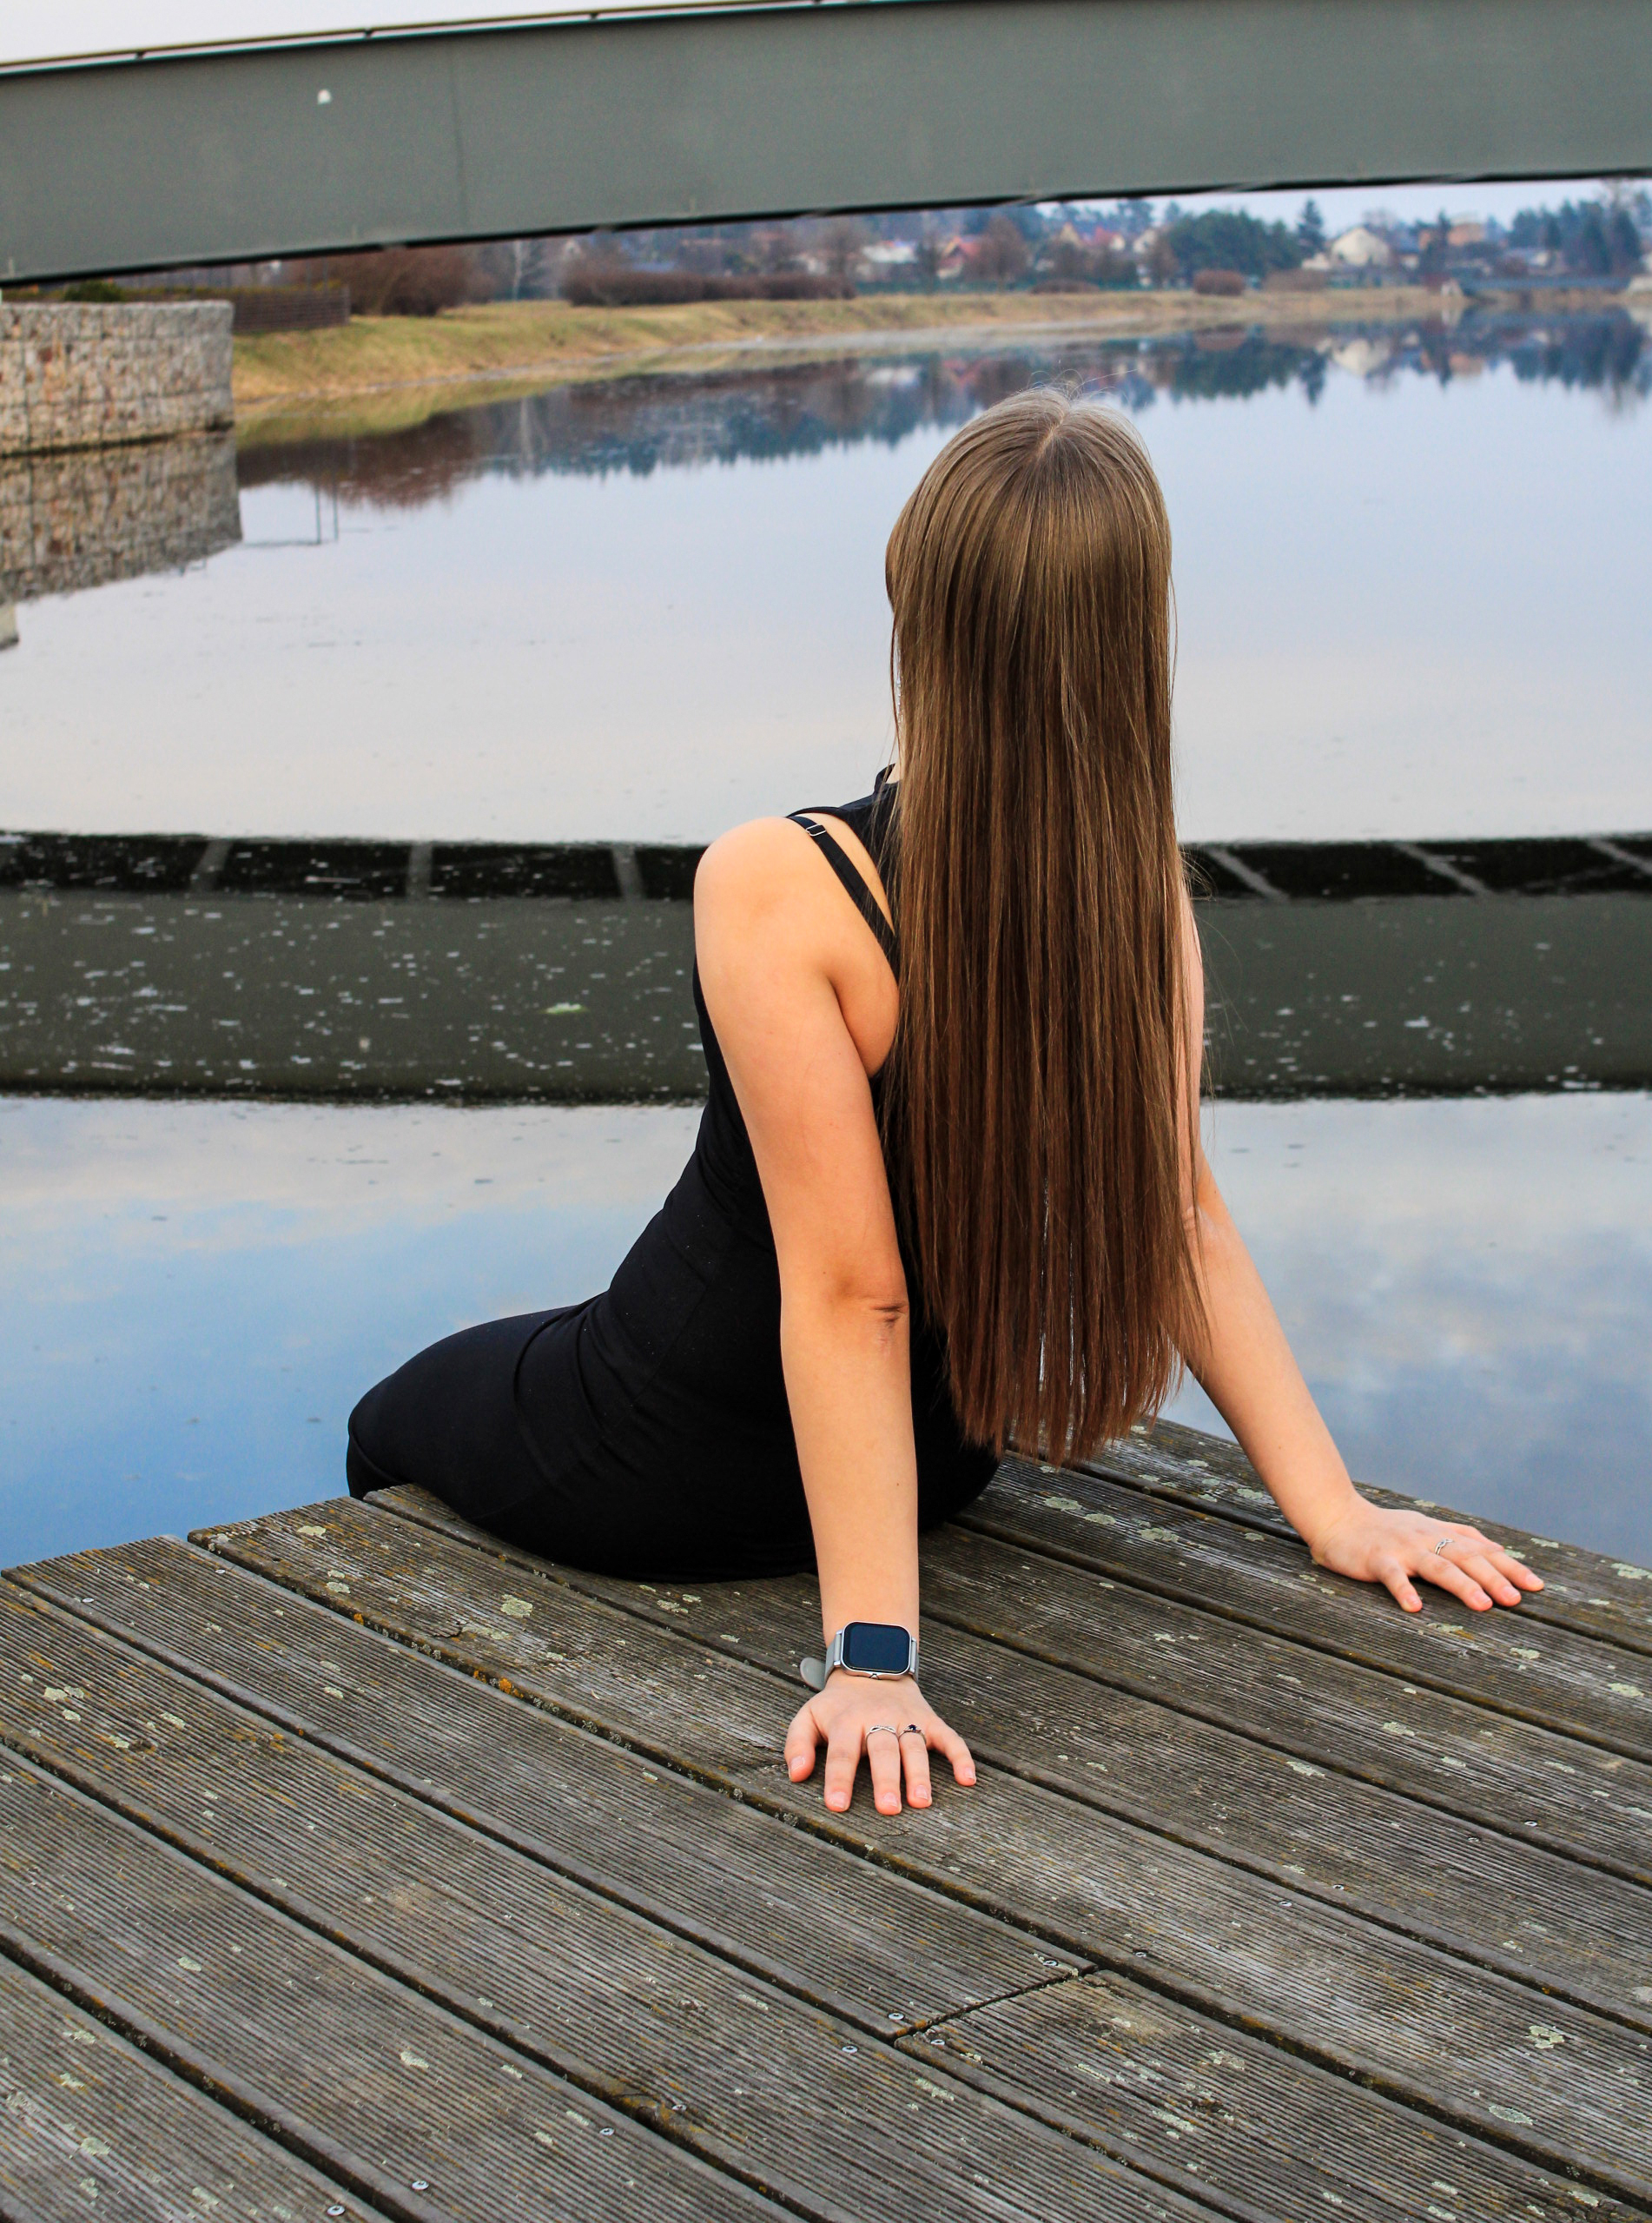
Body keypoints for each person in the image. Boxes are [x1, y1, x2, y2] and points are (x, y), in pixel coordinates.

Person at [347, 389, 1540, 1822]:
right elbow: (1180, 1216)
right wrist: (1332, 1511)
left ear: (916, 604)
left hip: (670, 1455)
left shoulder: (782, 881)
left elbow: (851, 1292)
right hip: (940, 1467)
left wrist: (873, 1662)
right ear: (1132, 637)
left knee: (392, 1413)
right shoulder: (1139, 898)